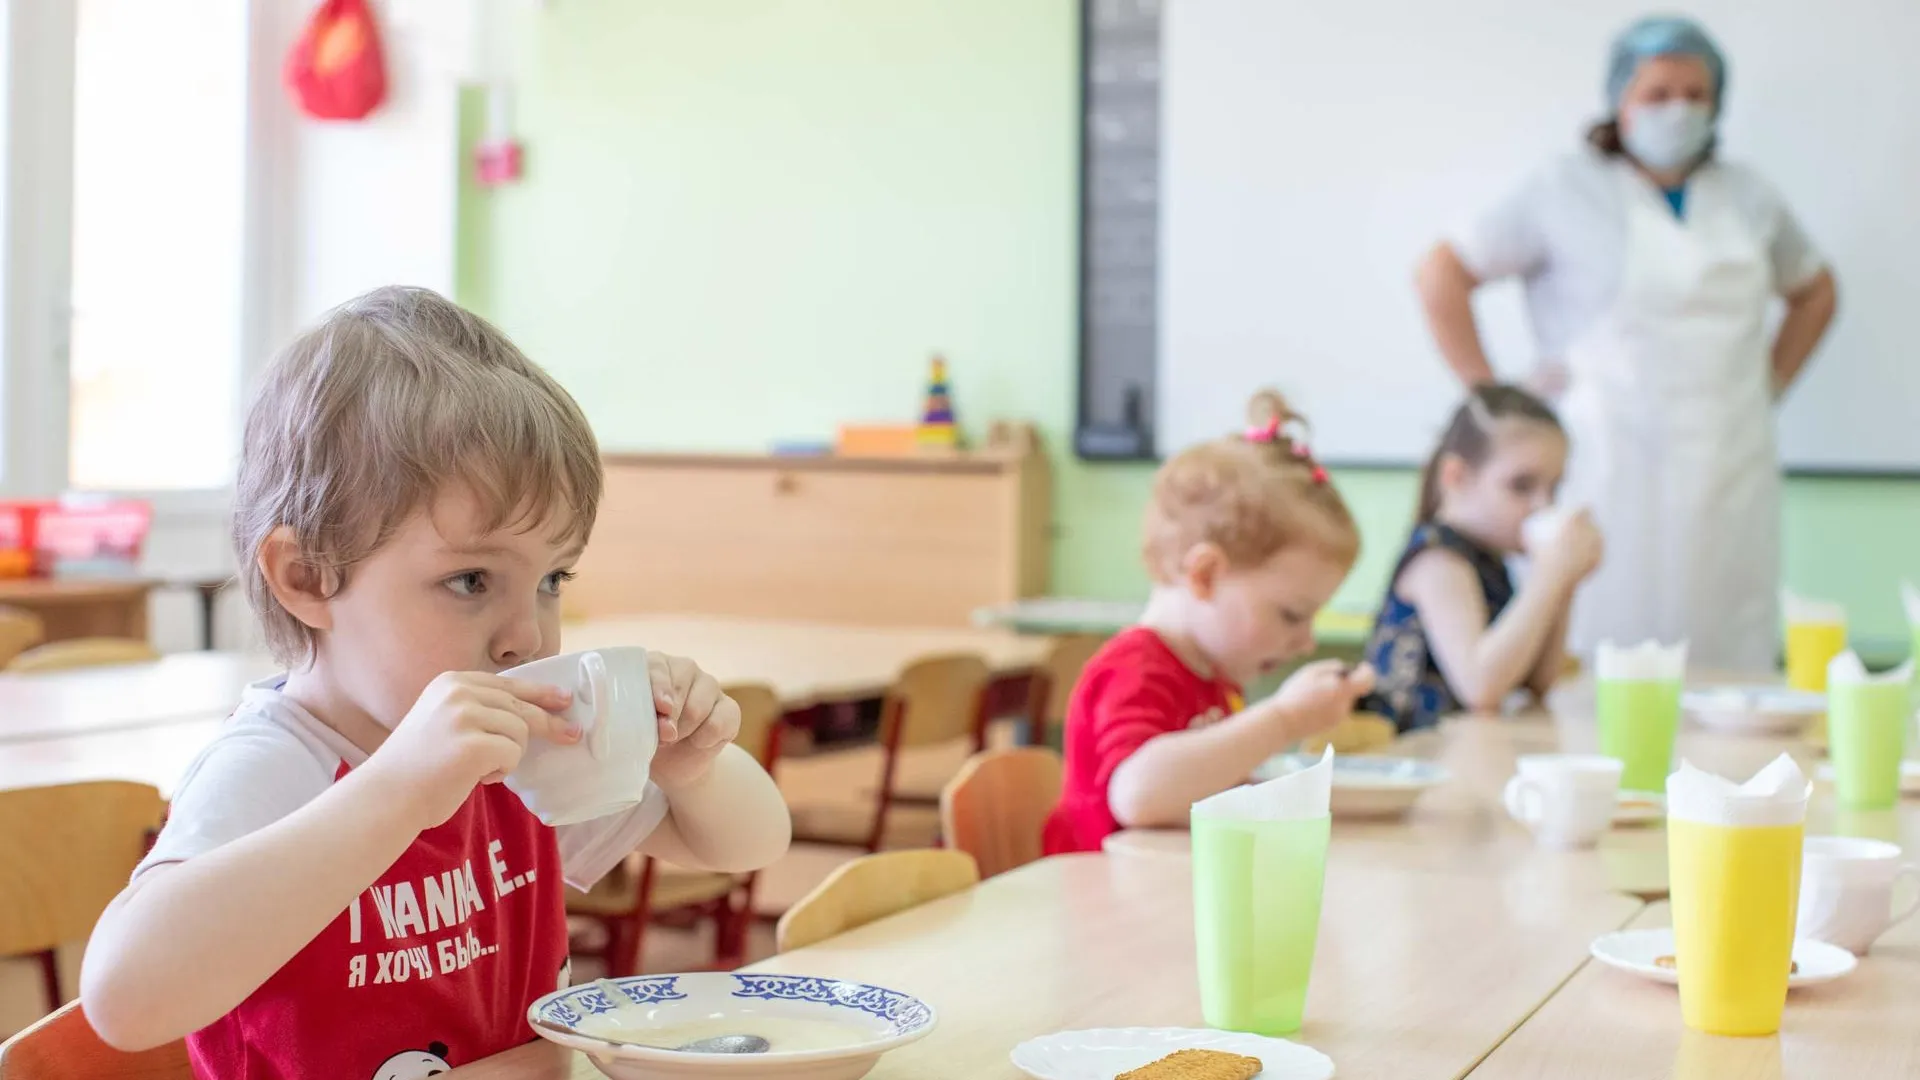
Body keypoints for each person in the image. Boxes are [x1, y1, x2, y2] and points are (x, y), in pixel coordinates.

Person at [79, 287, 793, 1077]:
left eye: (552, 579)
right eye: (470, 581)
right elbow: (124, 1000)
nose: (527, 634)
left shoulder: (523, 752)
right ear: (308, 576)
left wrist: (691, 769)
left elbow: (748, 844)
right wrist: (401, 789)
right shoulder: (276, 768)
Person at [1413, 15, 1838, 671]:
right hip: (1602, 457)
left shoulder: (1747, 196)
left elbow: (1816, 290)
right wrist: (1491, 401)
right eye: (1658, 93)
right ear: (1620, 100)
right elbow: (1441, 272)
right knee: (1591, 645)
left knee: (1725, 652)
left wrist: (1769, 388)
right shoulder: (1562, 187)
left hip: (1729, 463)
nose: (1679, 110)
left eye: (1696, 95)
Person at [1043, 390, 1376, 855]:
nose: (1305, 642)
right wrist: (1282, 719)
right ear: (1204, 575)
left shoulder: (1211, 676)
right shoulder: (1134, 671)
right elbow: (1139, 796)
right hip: (1099, 910)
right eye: (1291, 615)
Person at [1360, 385, 1602, 731]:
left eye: (1554, 488)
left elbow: (1537, 682)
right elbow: (1481, 687)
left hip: (1459, 751)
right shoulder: (1438, 559)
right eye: (1522, 485)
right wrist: (1549, 577)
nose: (1543, 505)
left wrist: (1564, 582)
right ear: (1456, 476)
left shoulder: (1489, 559)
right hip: (1415, 755)